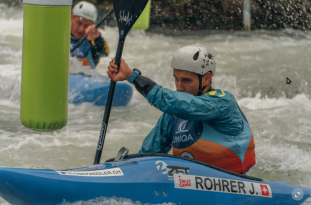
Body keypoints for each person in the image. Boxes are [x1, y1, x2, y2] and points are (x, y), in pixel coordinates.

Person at [107, 46, 256, 174]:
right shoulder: (172, 117)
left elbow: (180, 104)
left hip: (235, 185)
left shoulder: (223, 102)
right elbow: (147, 155)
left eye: (186, 80)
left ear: (206, 79)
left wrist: (132, 76)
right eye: (176, 79)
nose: (179, 87)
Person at [71, 1, 109, 69]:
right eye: (79, 23)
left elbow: (105, 53)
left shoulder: (92, 40)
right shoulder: (61, 35)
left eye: (86, 25)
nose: (81, 29)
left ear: (92, 25)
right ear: (72, 17)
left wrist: (98, 38)